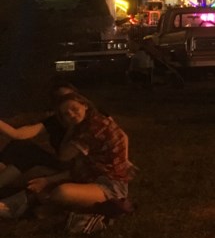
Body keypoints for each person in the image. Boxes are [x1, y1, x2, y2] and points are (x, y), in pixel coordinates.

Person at [0, 92, 133, 220]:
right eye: (66, 113)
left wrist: (70, 129)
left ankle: (45, 208)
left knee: (62, 192)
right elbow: (80, 167)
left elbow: (64, 155)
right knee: (37, 173)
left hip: (109, 185)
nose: (71, 115)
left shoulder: (92, 128)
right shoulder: (91, 120)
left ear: (84, 105)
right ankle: (35, 203)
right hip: (87, 174)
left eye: (74, 109)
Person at [0, 84, 76, 193]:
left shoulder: (91, 121)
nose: (66, 102)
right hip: (62, 160)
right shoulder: (57, 120)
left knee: (29, 154)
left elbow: (66, 156)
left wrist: (72, 129)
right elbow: (18, 134)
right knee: (21, 145)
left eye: (70, 97)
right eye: (60, 99)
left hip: (77, 165)